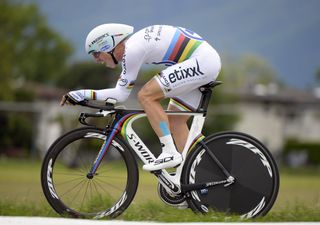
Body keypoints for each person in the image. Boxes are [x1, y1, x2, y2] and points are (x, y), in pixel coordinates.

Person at [60, 24, 221, 171]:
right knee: (176, 122)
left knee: (146, 96)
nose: (96, 60)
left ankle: (169, 151)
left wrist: (82, 94)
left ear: (107, 45)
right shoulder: (133, 46)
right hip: (204, 61)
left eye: (96, 53)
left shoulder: (132, 49)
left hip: (202, 62)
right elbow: (120, 93)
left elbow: (121, 94)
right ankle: (200, 175)